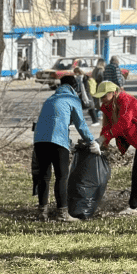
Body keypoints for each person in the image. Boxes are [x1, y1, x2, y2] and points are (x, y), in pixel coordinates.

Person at [33, 75, 100, 222]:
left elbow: (51, 123)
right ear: (74, 87)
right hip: (57, 141)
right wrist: (92, 141)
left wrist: (68, 140)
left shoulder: (50, 99)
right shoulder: (72, 99)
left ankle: (41, 213)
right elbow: (80, 124)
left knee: (44, 177)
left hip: (39, 141)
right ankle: (62, 214)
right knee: (61, 177)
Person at [92, 81, 137, 215]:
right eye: (99, 96)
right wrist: (102, 142)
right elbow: (107, 125)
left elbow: (123, 123)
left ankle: (133, 208)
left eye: (103, 96)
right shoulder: (108, 105)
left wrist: (104, 138)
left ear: (113, 93)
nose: (101, 99)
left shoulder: (127, 102)